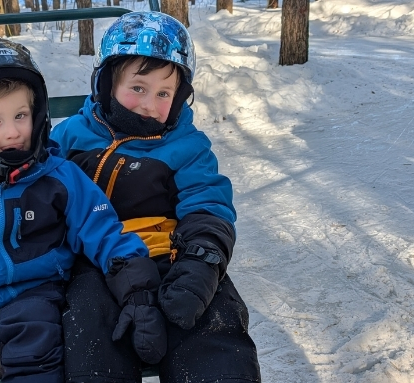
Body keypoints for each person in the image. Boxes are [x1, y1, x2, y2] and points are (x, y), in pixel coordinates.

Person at [0, 35, 168, 383]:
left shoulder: (59, 177)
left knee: (36, 350)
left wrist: (138, 292)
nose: (13, 132)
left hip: (36, 289)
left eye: (21, 115)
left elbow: (103, 232)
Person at [51, 12, 262, 383]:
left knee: (213, 327)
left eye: (164, 93)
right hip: (95, 265)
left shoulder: (187, 147)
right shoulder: (70, 137)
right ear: (106, 84)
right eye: (138, 88)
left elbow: (207, 205)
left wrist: (201, 264)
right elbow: (35, 188)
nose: (150, 104)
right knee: (90, 331)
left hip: (171, 257)